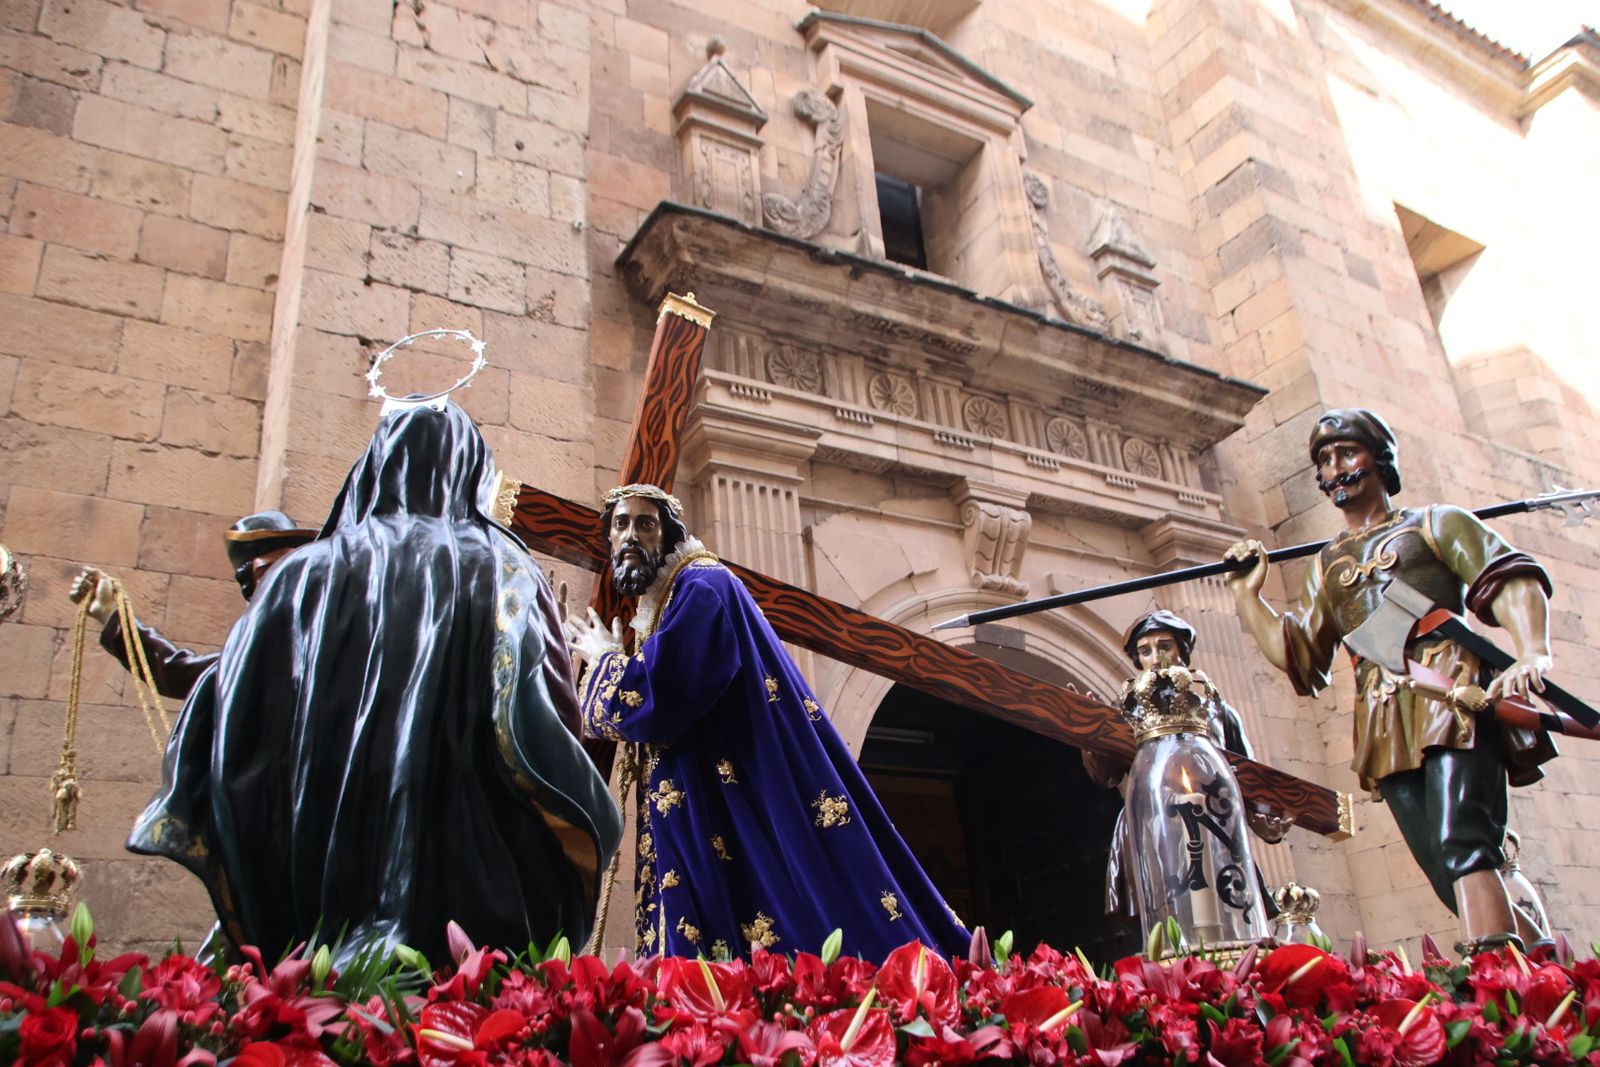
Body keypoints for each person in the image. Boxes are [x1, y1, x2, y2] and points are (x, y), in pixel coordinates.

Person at [128, 403, 623, 966]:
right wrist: (595, 815)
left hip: (317, 898)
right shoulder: (504, 567)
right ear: (468, 470)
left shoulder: (299, 574)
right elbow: (538, 719)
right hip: (468, 904)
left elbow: (234, 709)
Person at [566, 484, 968, 961]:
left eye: (646, 524)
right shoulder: (671, 599)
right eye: (620, 524)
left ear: (669, 534)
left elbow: (663, 693)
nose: (631, 535)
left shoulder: (703, 585)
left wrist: (607, 660)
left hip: (735, 809)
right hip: (706, 808)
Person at [1224, 408, 1555, 952]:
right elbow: (1299, 653)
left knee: (1462, 840)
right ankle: (1538, 958)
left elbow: (1508, 575)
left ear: (1379, 458)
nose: (1335, 468)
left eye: (1346, 453)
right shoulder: (1329, 564)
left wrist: (1532, 651)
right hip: (1384, 713)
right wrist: (1246, 594)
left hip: (1449, 690)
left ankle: (1495, 978)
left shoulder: (1434, 523)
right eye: (1323, 460)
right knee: (1440, 861)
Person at [1083, 610, 1281, 918]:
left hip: (1215, 823)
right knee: (1167, 911)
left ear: (1182, 653)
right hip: (1156, 824)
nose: (1156, 658)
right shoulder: (1129, 713)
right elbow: (1106, 775)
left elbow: (1248, 775)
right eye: (1145, 651)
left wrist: (1264, 821)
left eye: (1165, 647)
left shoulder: (1217, 711)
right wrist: (1090, 736)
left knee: (1228, 905)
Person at [68, 513, 317, 699]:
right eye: (269, 570)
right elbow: (179, 673)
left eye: (292, 566)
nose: (284, 577)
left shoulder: (325, 631)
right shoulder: (258, 656)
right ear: (253, 588)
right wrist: (113, 617)